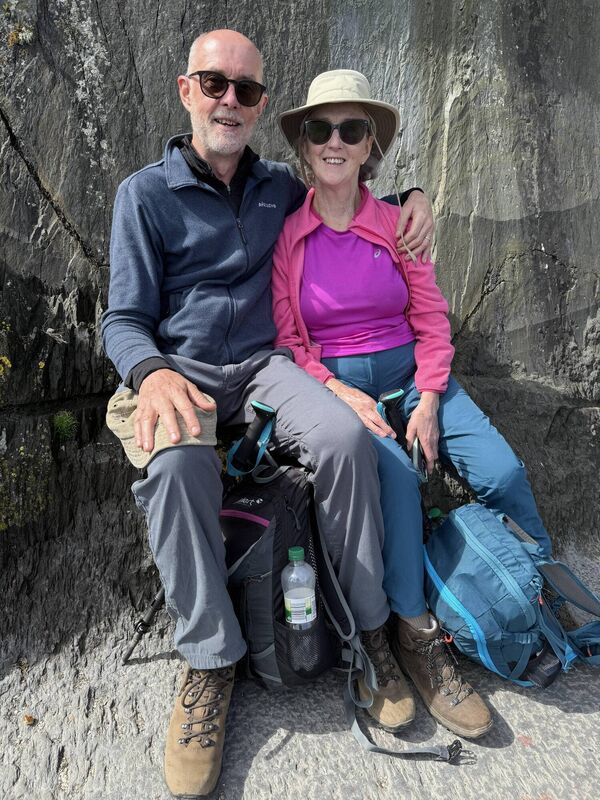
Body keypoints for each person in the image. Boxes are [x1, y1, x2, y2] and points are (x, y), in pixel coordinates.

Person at [102, 30, 436, 799]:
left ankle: (370, 633)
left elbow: (350, 201)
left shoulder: (279, 186)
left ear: (259, 105)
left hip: (263, 367)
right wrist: (151, 372)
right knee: (177, 463)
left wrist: (411, 199)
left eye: (245, 89)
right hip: (179, 368)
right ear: (186, 91)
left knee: (345, 438)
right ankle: (209, 661)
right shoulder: (143, 196)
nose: (229, 100)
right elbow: (122, 318)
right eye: (214, 84)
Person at [272, 69, 554, 741]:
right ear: (304, 145)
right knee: (397, 478)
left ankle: (535, 593)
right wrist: (338, 392)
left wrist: (428, 400)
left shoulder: (399, 223)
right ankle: (414, 632)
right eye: (321, 129)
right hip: (343, 389)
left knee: (501, 470)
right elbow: (288, 340)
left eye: (351, 130)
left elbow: (430, 318)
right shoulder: (289, 237)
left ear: (370, 146)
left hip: (420, 378)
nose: (335, 142)